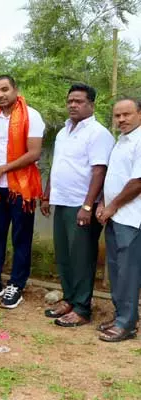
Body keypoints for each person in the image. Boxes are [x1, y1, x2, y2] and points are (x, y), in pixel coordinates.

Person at [40, 84, 114, 327]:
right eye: (70, 100)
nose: (73, 104)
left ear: (91, 105)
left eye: (79, 101)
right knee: (65, 256)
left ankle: (82, 308)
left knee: (82, 257)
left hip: (81, 206)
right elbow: (57, 165)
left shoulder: (98, 133)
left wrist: (88, 206)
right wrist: (47, 194)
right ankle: (69, 298)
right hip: (62, 201)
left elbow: (99, 171)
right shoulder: (64, 132)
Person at [0, 75, 45, 309]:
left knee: (21, 237)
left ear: (15, 90)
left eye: (5, 89)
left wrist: (3, 168)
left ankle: (16, 284)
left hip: (21, 188)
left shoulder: (30, 115)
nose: (0, 94)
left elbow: (34, 153)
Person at [95, 98, 141, 342]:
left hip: (131, 218)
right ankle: (121, 315)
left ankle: (127, 324)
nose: (121, 120)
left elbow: (138, 182)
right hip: (115, 216)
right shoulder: (122, 140)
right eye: (117, 116)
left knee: (128, 271)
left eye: (127, 114)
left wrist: (111, 206)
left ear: (140, 114)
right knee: (116, 269)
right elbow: (114, 177)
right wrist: (104, 203)